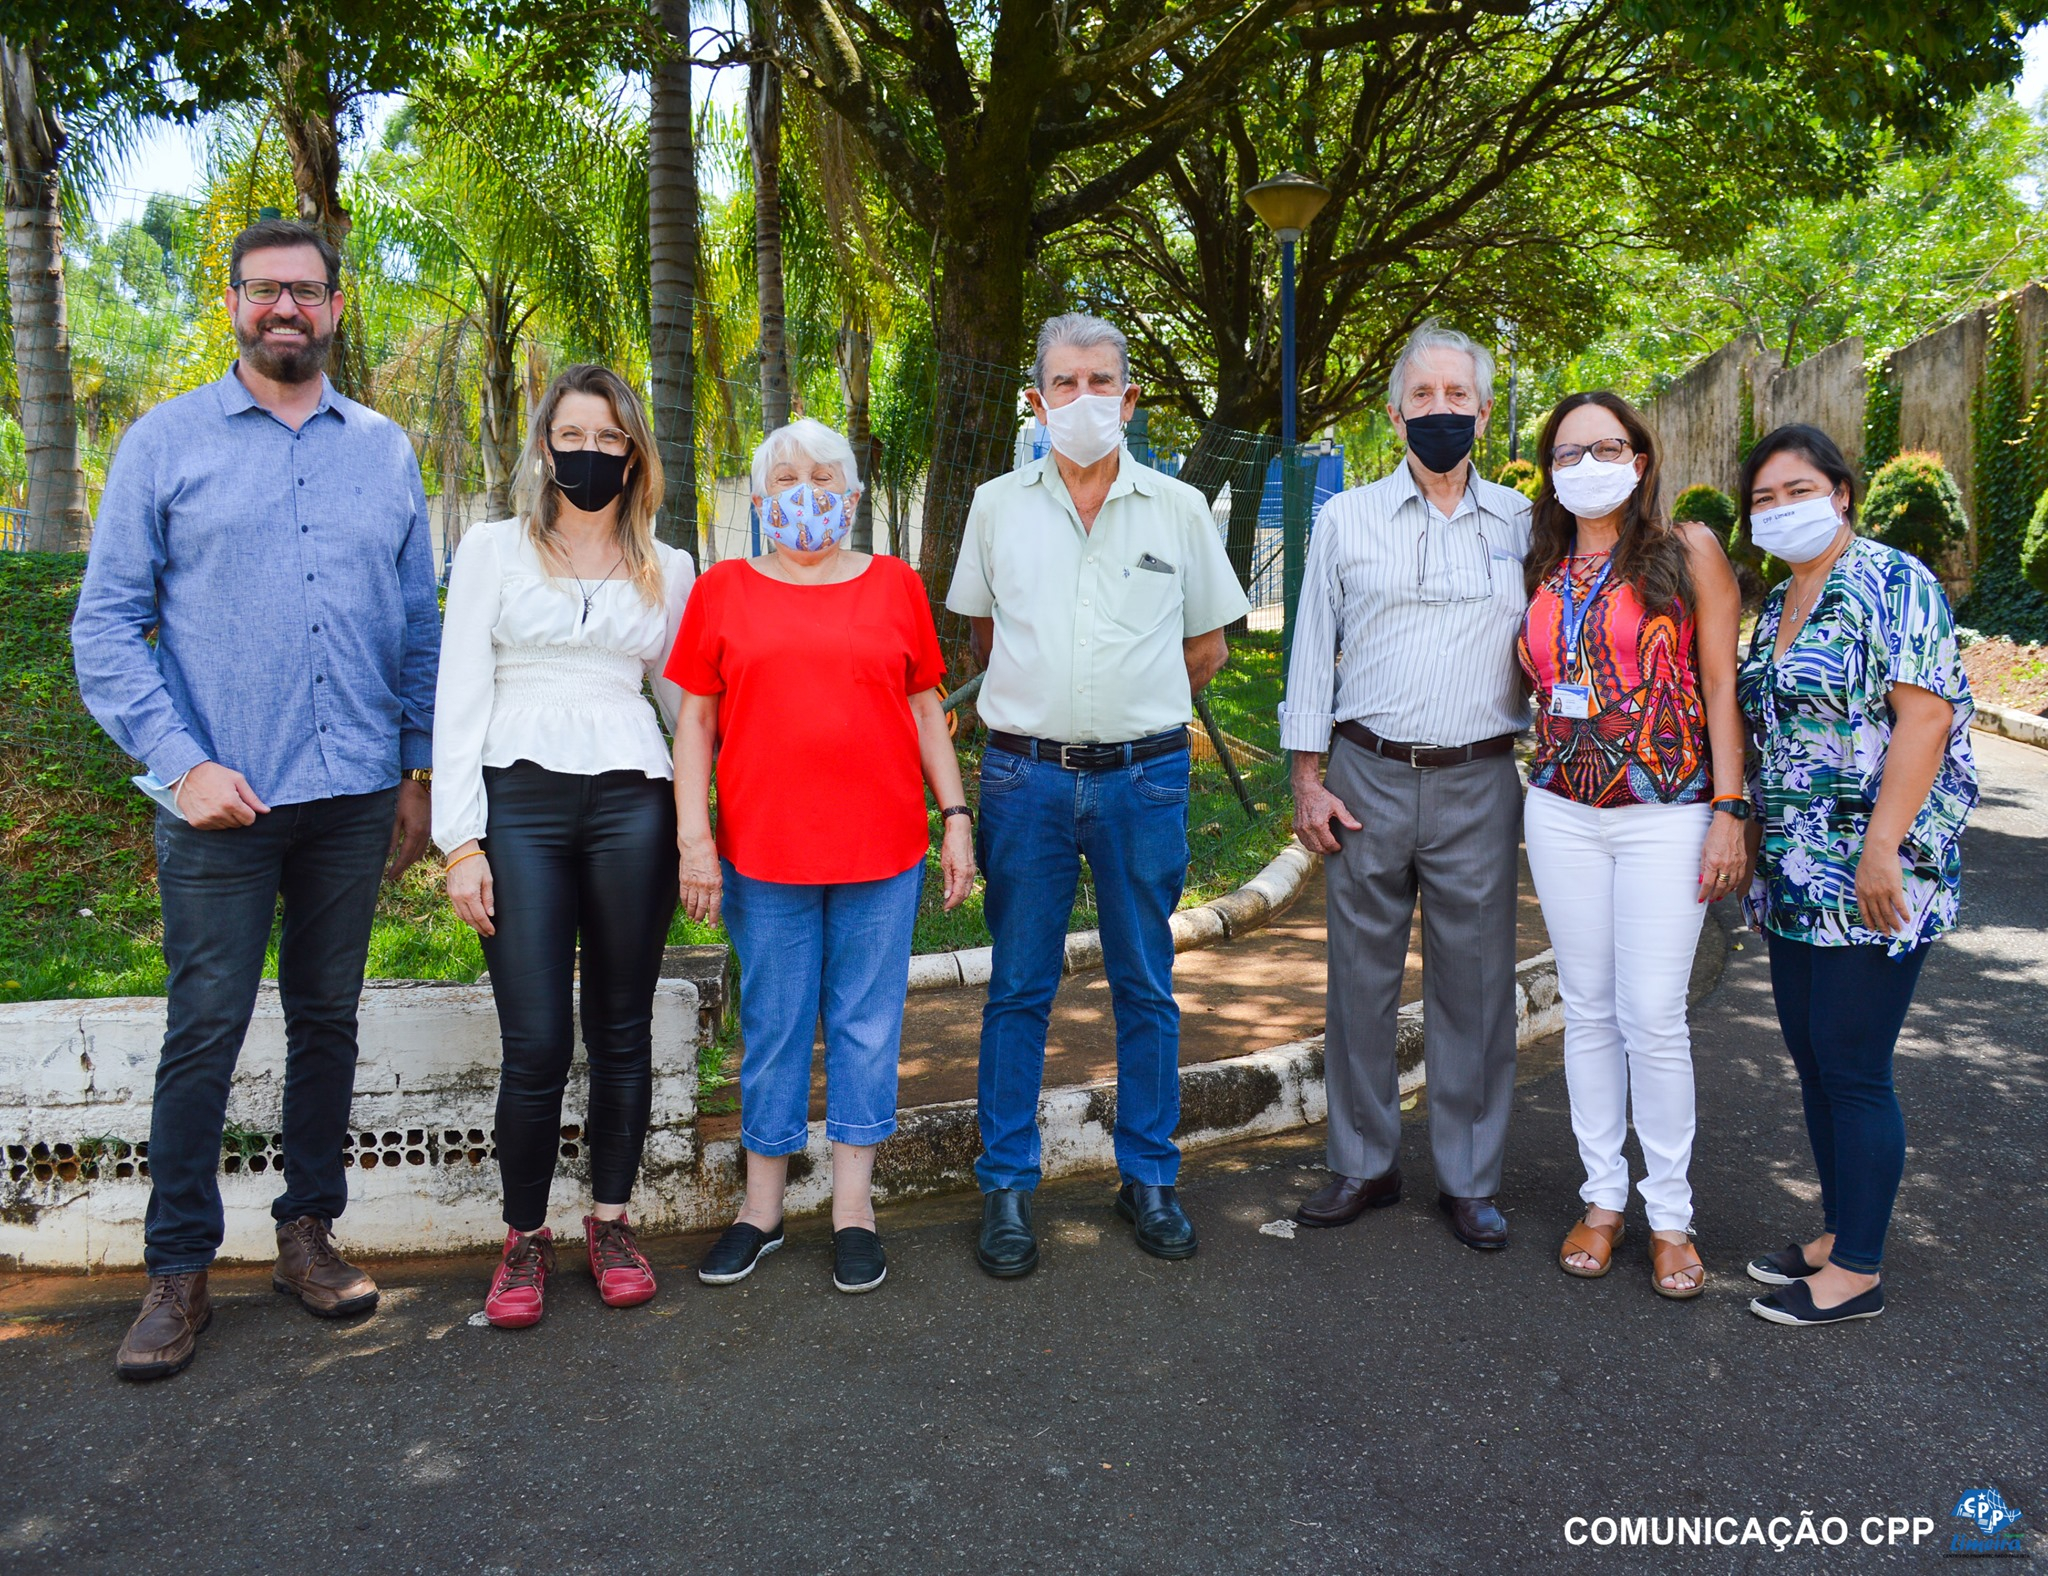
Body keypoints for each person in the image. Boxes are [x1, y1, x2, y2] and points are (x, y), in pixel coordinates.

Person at [71, 217, 440, 1380]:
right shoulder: (163, 444)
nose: (288, 308)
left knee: (327, 1019)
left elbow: (416, 627)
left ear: (337, 306)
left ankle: (307, 1236)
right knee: (206, 1032)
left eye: (309, 291)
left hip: (352, 796)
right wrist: (183, 764)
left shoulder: (383, 449)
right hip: (218, 804)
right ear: (232, 302)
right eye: (266, 289)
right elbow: (105, 629)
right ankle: (177, 1273)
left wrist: (418, 768)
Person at [945, 312, 1250, 1277]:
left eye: (1103, 381)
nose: (1085, 400)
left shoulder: (1179, 507)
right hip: (1025, 777)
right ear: (1036, 399)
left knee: (1145, 984)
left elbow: (1208, 649)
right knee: (1018, 986)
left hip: (1145, 777)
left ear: (1131, 396)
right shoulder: (995, 505)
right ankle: (1006, 1187)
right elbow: (989, 642)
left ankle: (1149, 1176)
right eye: (1065, 384)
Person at [669, 418, 975, 1295]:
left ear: (852, 495)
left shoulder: (895, 585)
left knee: (867, 1025)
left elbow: (926, 710)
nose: (808, 491)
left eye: (825, 476)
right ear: (760, 499)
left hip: (882, 850)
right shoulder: (724, 590)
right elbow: (694, 721)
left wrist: (954, 816)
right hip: (763, 854)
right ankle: (760, 1212)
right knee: (772, 1028)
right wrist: (697, 841)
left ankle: (853, 1211)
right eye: (788, 478)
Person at [434, 364, 695, 1328]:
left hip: (635, 805)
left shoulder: (671, 568)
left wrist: (705, 825)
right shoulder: (493, 550)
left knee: (621, 1031)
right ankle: (523, 1239)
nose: (591, 454)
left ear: (635, 454)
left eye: (610, 439)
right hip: (521, 806)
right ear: (544, 446)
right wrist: (462, 841)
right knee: (537, 1039)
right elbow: (457, 698)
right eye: (573, 437)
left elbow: (686, 712)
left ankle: (613, 1221)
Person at [1281, 320, 1529, 1251]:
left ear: (1484, 410)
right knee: (1359, 984)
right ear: (1394, 414)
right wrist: (1308, 779)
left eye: (1455, 397)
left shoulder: (1521, 525)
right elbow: (1309, 653)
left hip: (1479, 781)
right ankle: (1364, 1163)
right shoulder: (1344, 518)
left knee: (1476, 988)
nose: (1439, 412)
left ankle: (1469, 1178)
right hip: (1365, 778)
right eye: (1421, 398)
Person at [1734, 424, 1977, 1328]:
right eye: (1763, 498)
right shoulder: (1786, 596)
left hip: (1875, 866)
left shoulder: (1890, 580)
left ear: (1841, 491)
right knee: (1811, 1056)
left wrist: (1883, 850)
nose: (1779, 509)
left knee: (1855, 1064)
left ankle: (1859, 1273)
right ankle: (1841, 1231)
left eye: (1798, 490)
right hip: (1799, 871)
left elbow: (1925, 720)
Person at [1514, 392, 1748, 1298]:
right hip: (1563, 809)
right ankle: (1603, 1198)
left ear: (1641, 460)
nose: (1587, 466)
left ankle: (1673, 1215)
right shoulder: (1538, 562)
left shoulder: (1687, 551)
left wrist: (1729, 808)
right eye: (1567, 454)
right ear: (1549, 471)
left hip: (1668, 810)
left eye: (1605, 448)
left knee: (1654, 1014)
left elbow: (1720, 685)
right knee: (1590, 1010)